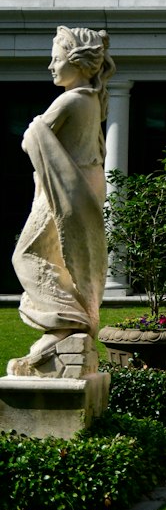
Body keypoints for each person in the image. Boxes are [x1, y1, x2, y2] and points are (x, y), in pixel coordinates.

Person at [8, 26, 114, 378]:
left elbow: (30, 140)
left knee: (25, 256)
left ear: (78, 63)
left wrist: (35, 127)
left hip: (66, 189)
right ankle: (65, 326)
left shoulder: (69, 100)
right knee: (61, 257)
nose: (50, 67)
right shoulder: (92, 99)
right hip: (83, 182)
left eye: (56, 60)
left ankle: (67, 320)